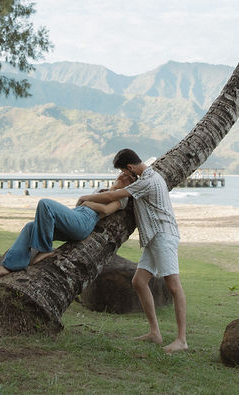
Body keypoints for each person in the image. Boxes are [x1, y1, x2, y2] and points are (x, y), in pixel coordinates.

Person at [77, 148, 187, 353]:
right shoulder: (144, 176)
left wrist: (85, 197)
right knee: (138, 281)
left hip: (164, 235)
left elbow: (117, 194)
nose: (125, 176)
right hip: (154, 238)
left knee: (173, 286)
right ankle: (155, 333)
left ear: (130, 167)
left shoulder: (147, 181)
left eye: (124, 171)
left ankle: (182, 340)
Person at [0, 170, 135, 282]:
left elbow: (106, 210)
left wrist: (87, 202)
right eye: (124, 173)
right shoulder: (102, 190)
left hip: (84, 221)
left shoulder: (122, 197)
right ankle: (7, 266)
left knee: (45, 204)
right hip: (76, 216)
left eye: (130, 178)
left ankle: (44, 250)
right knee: (30, 227)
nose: (125, 177)